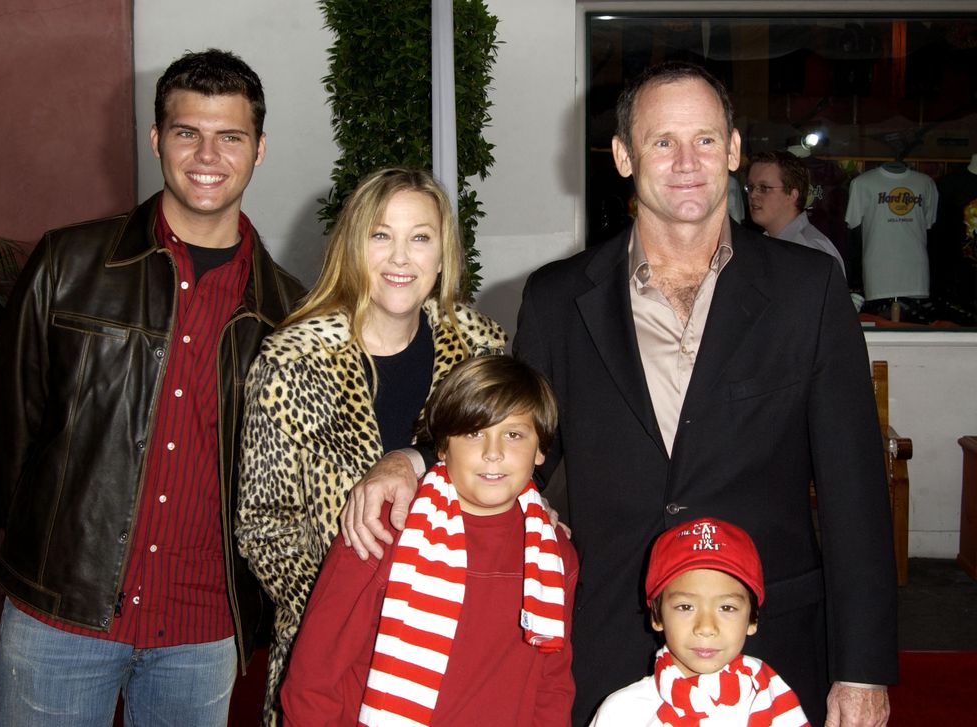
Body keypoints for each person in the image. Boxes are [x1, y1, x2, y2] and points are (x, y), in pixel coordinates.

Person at [341, 61, 898, 727]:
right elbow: (518, 447)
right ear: (624, 155)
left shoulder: (810, 290)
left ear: (735, 149)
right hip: (613, 644)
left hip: (766, 644)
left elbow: (855, 491)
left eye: (706, 140)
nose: (687, 161)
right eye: (662, 141)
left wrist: (862, 667)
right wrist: (413, 461)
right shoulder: (558, 299)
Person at [0, 49, 304, 726]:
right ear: (158, 138)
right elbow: (12, 430)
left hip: (203, 634)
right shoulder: (67, 263)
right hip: (61, 619)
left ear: (259, 149)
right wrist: (53, 553)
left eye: (231, 136)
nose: (207, 154)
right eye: (188, 131)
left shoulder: (288, 311)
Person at [236, 167, 506, 725]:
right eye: (380, 235)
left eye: (420, 236)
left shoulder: (482, 351)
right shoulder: (293, 360)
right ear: (353, 246)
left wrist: (416, 456)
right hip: (331, 657)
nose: (401, 258)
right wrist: (352, 613)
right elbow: (264, 524)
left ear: (442, 251)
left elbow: (510, 467)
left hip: (458, 648)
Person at [278, 354, 577, 726]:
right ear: (441, 446)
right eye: (473, 432)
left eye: (514, 434)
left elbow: (551, 687)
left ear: (541, 450)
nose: (493, 452)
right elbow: (315, 676)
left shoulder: (552, 555)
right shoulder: (382, 530)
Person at [590, 517, 808, 726]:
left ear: (753, 619)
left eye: (727, 608)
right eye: (685, 607)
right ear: (657, 616)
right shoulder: (622, 713)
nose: (705, 627)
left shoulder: (774, 704)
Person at [746, 150, 846, 275]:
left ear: (792, 195)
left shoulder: (811, 251)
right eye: (750, 187)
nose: (753, 195)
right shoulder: (764, 244)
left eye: (764, 188)